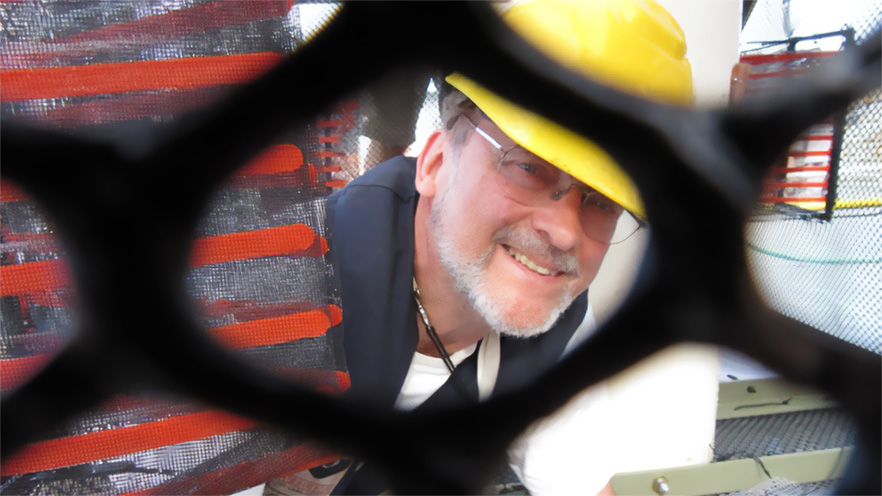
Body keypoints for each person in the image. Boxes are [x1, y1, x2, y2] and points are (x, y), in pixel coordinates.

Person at [324, 0, 694, 494]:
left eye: (603, 201)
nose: (564, 233)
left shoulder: (559, 330)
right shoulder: (301, 279)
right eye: (527, 166)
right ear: (433, 163)